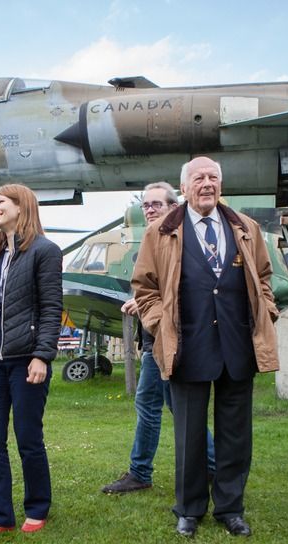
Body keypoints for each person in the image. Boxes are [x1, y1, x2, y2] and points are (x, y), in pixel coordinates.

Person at [132, 157, 279, 538]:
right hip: (187, 346)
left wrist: (267, 311)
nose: (207, 183)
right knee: (189, 434)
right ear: (184, 188)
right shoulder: (160, 231)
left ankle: (230, 508)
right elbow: (144, 286)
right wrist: (157, 322)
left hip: (237, 346)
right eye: (198, 178)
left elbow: (264, 276)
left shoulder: (245, 227)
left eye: (213, 177)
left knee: (235, 435)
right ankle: (189, 508)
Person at [102, 183, 216, 494]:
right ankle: (207, 464)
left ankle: (147, 471)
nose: (150, 210)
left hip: (175, 341)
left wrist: (143, 303)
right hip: (154, 339)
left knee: (163, 405)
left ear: (173, 207)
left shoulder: (183, 240)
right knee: (167, 405)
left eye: (156, 205)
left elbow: (187, 286)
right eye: (146, 206)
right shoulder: (151, 241)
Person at [0, 184, 62, 540]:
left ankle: (37, 508)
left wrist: (42, 355)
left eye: (1, 202)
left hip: (26, 360)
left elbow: (52, 307)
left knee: (28, 438)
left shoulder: (45, 251)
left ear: (22, 206)